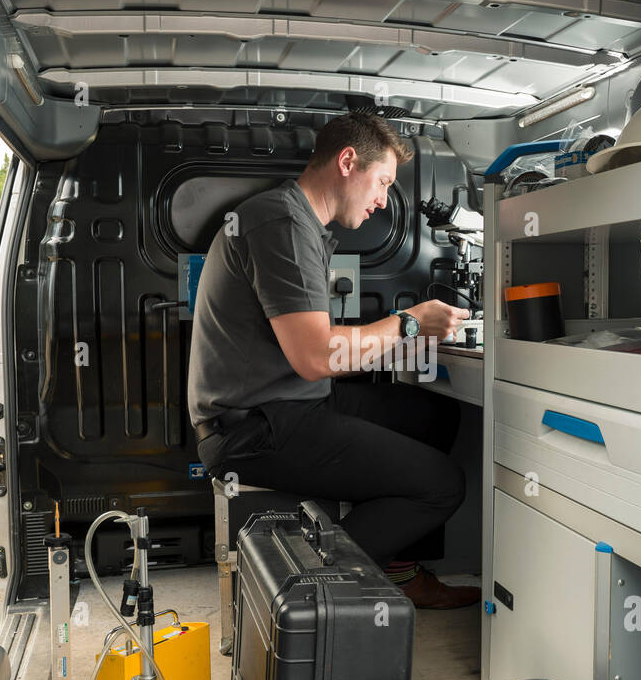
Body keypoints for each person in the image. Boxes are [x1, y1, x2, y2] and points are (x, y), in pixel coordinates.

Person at [187, 112, 479, 608]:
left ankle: (400, 572)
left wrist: (405, 335)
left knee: (436, 416)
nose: (384, 199)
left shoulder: (301, 224)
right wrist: (408, 323)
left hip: (291, 402)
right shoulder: (280, 222)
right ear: (348, 161)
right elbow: (317, 356)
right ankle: (300, 591)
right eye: (382, 181)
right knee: (441, 486)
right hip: (252, 428)